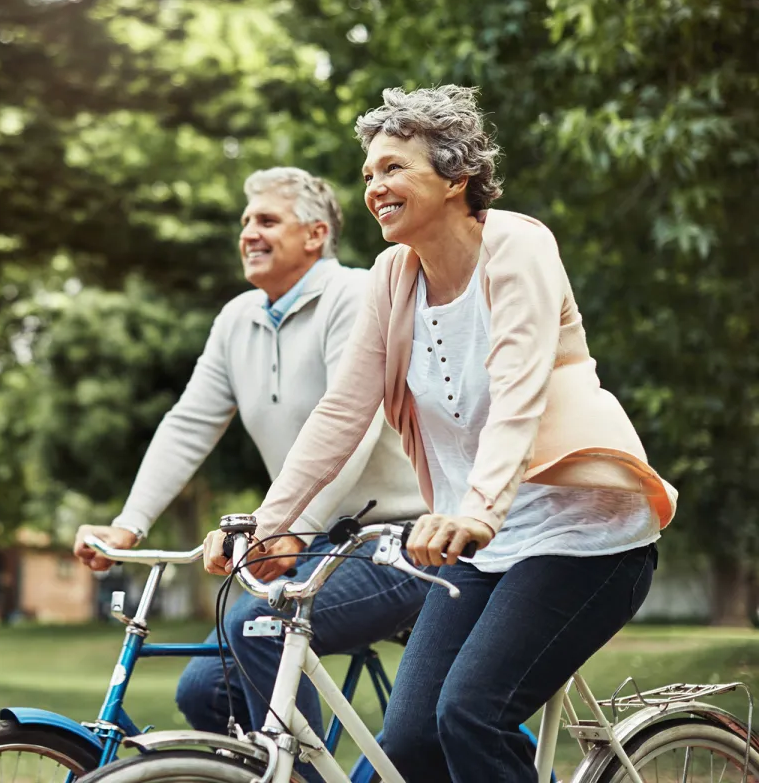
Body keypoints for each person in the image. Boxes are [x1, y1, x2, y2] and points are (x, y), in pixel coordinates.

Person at [202, 86, 677, 782]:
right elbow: (342, 412)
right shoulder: (394, 278)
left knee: (471, 713)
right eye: (368, 175)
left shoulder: (518, 245)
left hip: (583, 536)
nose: (375, 186)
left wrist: (477, 511)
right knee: (412, 741)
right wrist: (270, 525)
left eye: (393, 168)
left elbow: (519, 389)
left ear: (457, 178)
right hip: (479, 551)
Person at [71, 167, 428, 769]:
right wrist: (128, 525)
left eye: (266, 220)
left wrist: (291, 526)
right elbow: (188, 425)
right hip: (317, 542)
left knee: (259, 623)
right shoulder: (237, 319)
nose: (249, 234)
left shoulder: (357, 295)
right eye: (245, 223)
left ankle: (304, 775)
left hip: (401, 538)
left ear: (315, 234)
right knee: (203, 689)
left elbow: (356, 425)